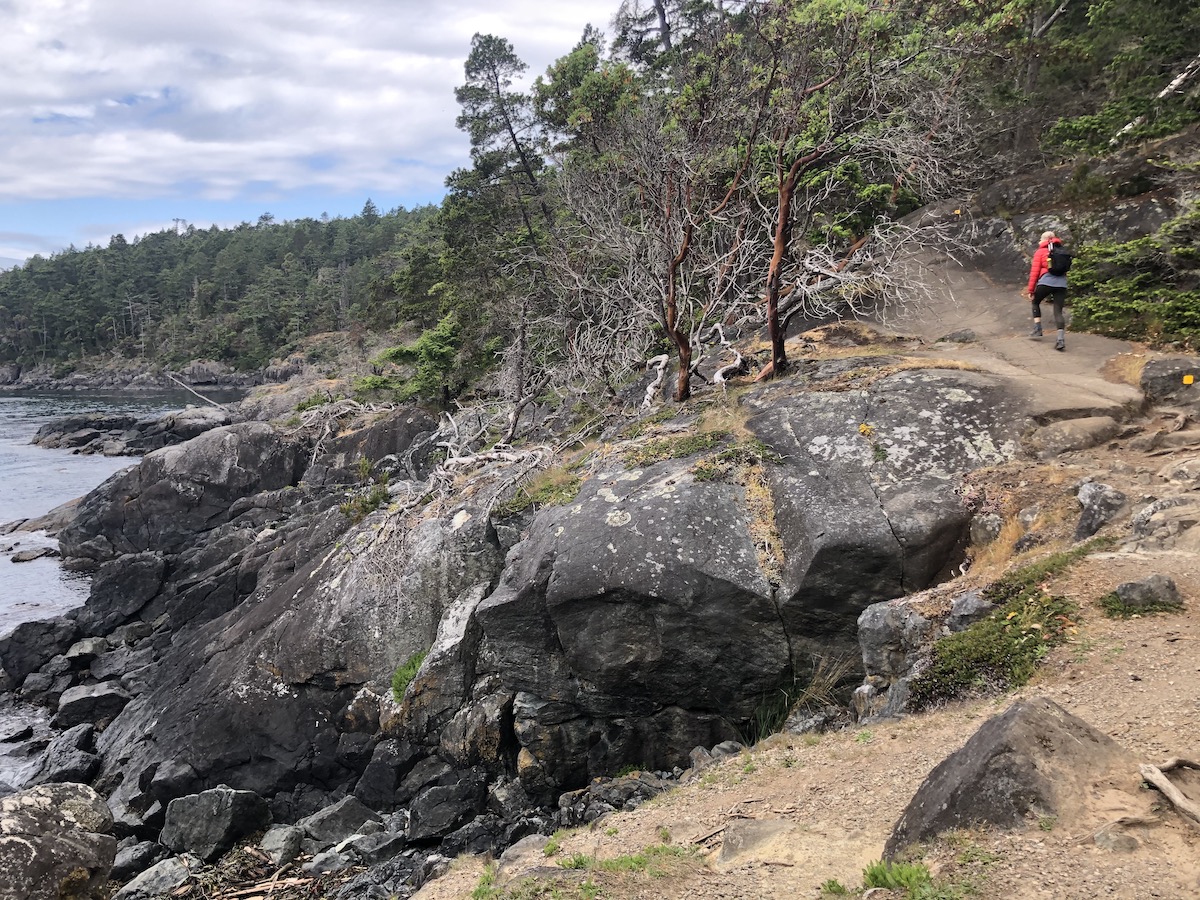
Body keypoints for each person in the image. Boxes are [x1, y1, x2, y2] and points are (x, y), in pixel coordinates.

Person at [1026, 230, 1067, 351]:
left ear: (1043, 240)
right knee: (1058, 311)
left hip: (1046, 282)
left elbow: (1034, 272)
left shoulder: (1040, 252)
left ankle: (1038, 329)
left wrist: (1031, 290)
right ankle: (1060, 340)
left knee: (1035, 302)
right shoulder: (1061, 250)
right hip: (1061, 284)